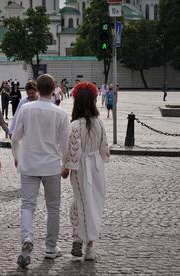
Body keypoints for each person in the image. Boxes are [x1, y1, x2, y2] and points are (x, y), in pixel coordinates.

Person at [11, 74, 70, 268]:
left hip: (29, 164)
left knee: (28, 205)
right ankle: (51, 247)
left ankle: (26, 239)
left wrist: (16, 156)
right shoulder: (60, 113)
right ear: (54, 89)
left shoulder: (26, 109)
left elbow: (15, 136)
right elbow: (65, 143)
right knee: (53, 207)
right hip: (51, 165)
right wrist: (65, 164)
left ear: (37, 89)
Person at [64, 82, 110, 261]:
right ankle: (88, 243)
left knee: (81, 202)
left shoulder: (75, 125)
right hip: (97, 167)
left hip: (81, 167)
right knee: (93, 203)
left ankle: (81, 239)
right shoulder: (99, 123)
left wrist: (66, 169)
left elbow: (73, 151)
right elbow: (104, 150)